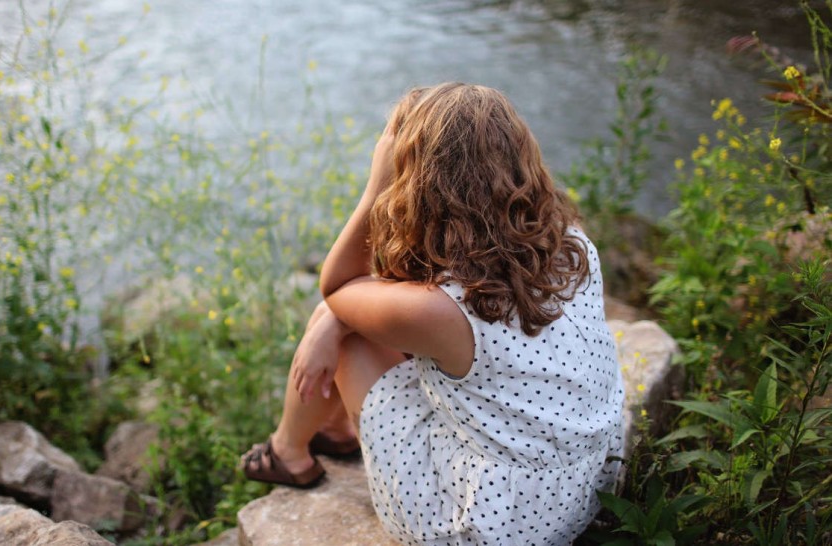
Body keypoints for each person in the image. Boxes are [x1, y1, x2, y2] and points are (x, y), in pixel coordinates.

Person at [241, 82, 624, 546]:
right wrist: (343, 314)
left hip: (485, 525)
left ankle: (289, 452)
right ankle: (338, 429)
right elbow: (400, 300)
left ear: (419, 182)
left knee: (340, 319)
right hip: (577, 490)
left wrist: (375, 188)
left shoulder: (443, 311)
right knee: (350, 314)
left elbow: (340, 287)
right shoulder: (570, 243)